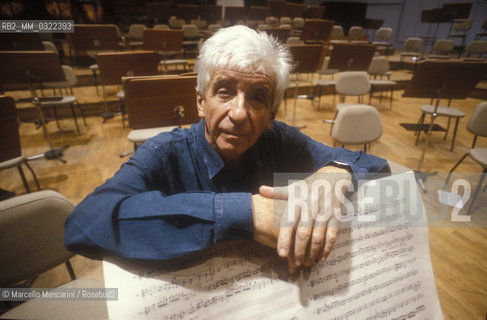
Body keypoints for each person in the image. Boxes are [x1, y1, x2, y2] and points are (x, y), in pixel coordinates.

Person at [64, 25, 389, 273]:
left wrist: (337, 171)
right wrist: (247, 213)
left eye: (258, 97)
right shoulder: (163, 154)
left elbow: (376, 167)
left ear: (272, 114)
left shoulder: (281, 140)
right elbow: (84, 224)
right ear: (200, 102)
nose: (238, 113)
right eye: (224, 91)